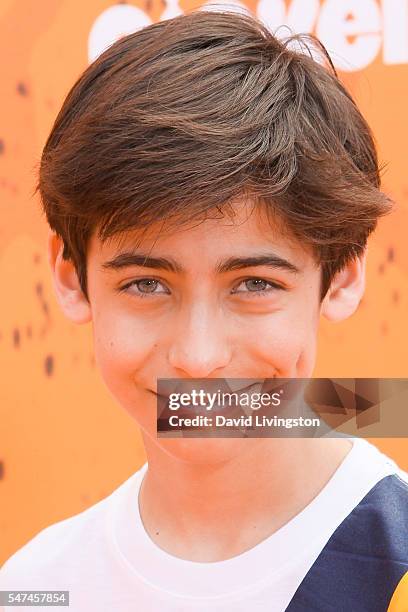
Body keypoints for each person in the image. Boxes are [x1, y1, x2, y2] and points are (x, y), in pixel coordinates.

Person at [1, 9, 407, 612]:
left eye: (253, 284)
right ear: (71, 277)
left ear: (341, 275)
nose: (198, 357)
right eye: (146, 285)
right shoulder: (37, 587)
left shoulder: (392, 559)